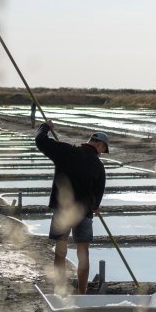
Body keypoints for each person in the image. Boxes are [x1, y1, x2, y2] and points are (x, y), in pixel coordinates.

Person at [36, 123, 109, 293]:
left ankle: (58, 291)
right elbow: (98, 194)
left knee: (60, 250)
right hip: (84, 213)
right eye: (102, 150)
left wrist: (45, 126)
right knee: (83, 253)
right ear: (98, 144)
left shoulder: (66, 151)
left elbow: (40, 140)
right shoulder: (98, 165)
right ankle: (81, 294)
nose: (101, 154)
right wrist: (95, 206)